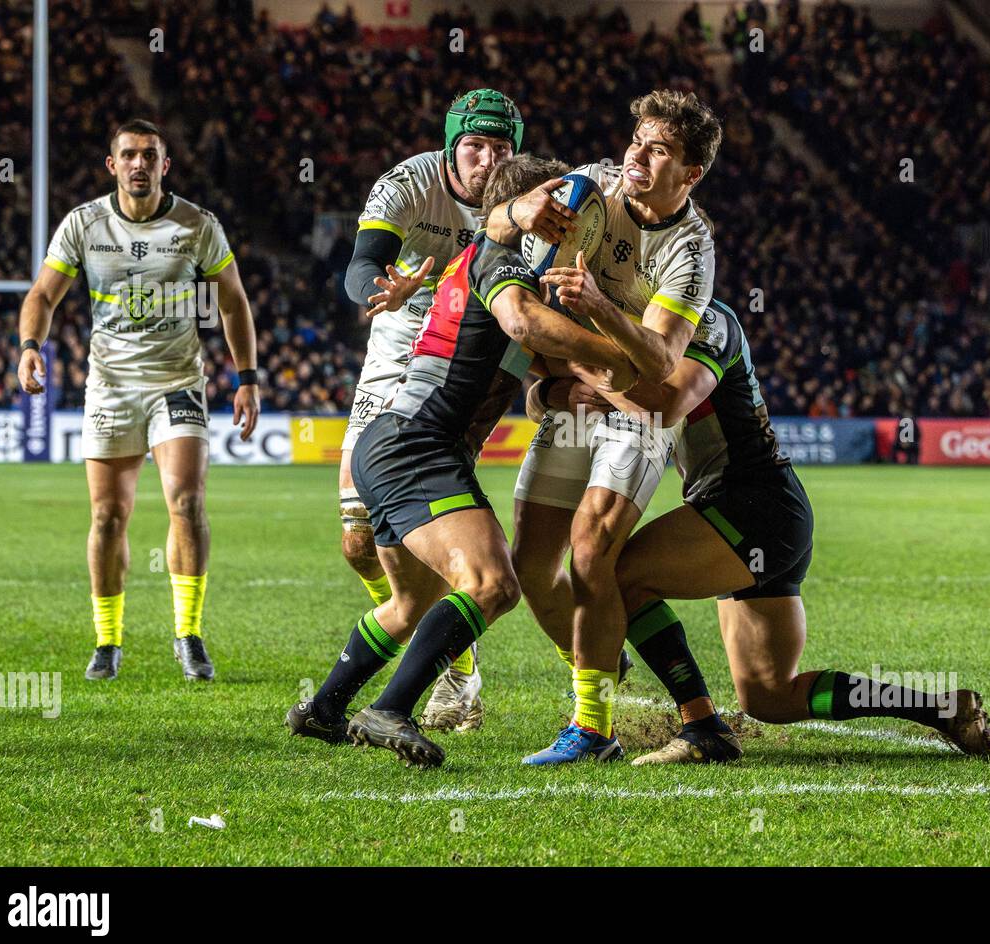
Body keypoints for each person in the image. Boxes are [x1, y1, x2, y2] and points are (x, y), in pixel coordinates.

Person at [527, 300, 990, 763]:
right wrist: (554, 392)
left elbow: (666, 404)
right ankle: (941, 708)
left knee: (616, 572)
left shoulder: (708, 322)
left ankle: (701, 725)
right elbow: (538, 395)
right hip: (755, 515)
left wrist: (582, 365)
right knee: (769, 695)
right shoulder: (639, 327)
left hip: (751, 505)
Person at [287, 155, 637, 768]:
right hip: (415, 445)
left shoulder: (487, 266)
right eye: (560, 217)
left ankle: (323, 708)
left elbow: (531, 375)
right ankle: (389, 709)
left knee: (409, 605)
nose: (569, 229)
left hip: (399, 444)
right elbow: (522, 323)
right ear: (530, 213)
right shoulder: (498, 265)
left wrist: (563, 388)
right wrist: (621, 351)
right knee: (493, 583)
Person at [495, 91, 721, 748]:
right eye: (637, 141)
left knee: (592, 548)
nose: (638, 156)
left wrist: (596, 304)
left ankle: (590, 725)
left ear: (690, 174)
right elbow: (502, 228)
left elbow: (659, 360)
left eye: (659, 150)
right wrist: (520, 210)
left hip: (635, 411)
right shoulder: (592, 186)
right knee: (529, 566)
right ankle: (598, 662)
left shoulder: (692, 250)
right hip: (578, 389)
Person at [17, 119, 259, 682]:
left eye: (150, 155)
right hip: (110, 386)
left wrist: (247, 377)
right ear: (113, 164)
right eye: (129, 155)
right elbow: (42, 295)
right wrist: (31, 346)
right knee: (106, 515)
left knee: (186, 502)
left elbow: (233, 303)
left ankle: (189, 635)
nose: (139, 164)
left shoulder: (198, 225)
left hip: (177, 381)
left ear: (164, 165)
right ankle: (108, 641)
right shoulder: (84, 224)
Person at [338, 89, 546, 730]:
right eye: (475, 146)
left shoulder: (527, 204)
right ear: (453, 144)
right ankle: (434, 637)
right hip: (398, 346)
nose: (487, 160)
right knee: (356, 541)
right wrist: (386, 288)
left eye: (500, 149)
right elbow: (361, 266)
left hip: (461, 363)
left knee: (432, 533)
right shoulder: (408, 181)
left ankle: (452, 670)